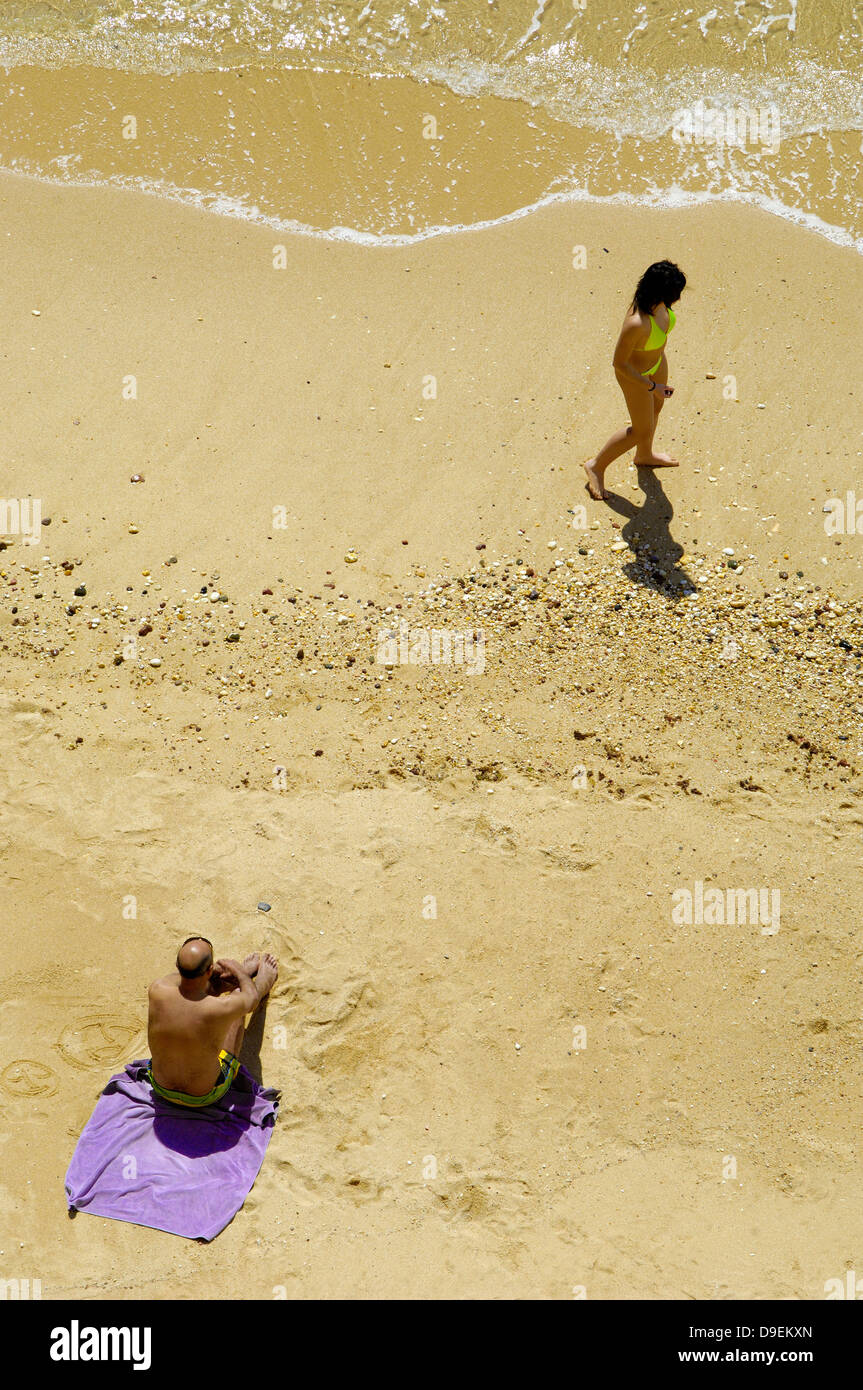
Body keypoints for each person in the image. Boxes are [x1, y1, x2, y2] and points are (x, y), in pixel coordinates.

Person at [584, 260, 687, 501]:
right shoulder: (636, 323)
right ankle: (596, 466)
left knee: (657, 408)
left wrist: (657, 380)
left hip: (657, 364)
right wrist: (652, 385)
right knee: (641, 429)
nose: (679, 299)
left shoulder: (659, 304)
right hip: (635, 376)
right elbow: (619, 363)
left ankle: (644, 455)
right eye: (676, 293)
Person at [146, 937, 278, 1108]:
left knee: (195, 988)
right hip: (204, 1096)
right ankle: (262, 981)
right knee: (239, 996)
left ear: (177, 966)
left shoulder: (157, 989)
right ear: (209, 970)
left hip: (160, 1087)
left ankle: (233, 979)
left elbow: (189, 985)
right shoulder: (220, 1008)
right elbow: (250, 1001)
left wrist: (211, 973)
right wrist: (240, 973)